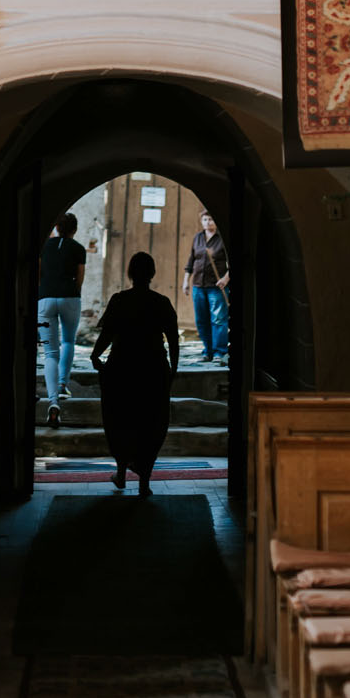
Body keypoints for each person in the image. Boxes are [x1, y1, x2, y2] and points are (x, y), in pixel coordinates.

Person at [91, 251, 179, 497]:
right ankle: (144, 481)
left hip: (122, 369)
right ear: (152, 274)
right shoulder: (161, 303)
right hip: (152, 369)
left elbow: (106, 335)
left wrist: (95, 356)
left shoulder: (119, 300)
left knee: (120, 419)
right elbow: (173, 341)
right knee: (151, 422)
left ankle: (121, 472)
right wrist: (174, 369)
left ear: (130, 273)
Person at [38, 211, 86, 430]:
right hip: (69, 298)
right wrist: (72, 294)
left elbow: (38, 273)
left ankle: (53, 401)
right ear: (74, 230)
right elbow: (80, 278)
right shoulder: (78, 248)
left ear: (56, 227)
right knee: (68, 341)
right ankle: (62, 384)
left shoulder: (44, 246)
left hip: (45, 298)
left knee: (49, 353)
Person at [182, 209, 230, 364]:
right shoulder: (198, 238)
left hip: (216, 287)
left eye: (210, 219)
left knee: (218, 320)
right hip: (198, 286)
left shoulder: (223, 239)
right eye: (205, 220)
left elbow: (233, 264)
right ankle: (207, 351)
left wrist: (225, 279)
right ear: (201, 221)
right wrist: (186, 281)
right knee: (202, 320)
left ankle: (219, 352)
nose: (208, 222)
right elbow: (191, 261)